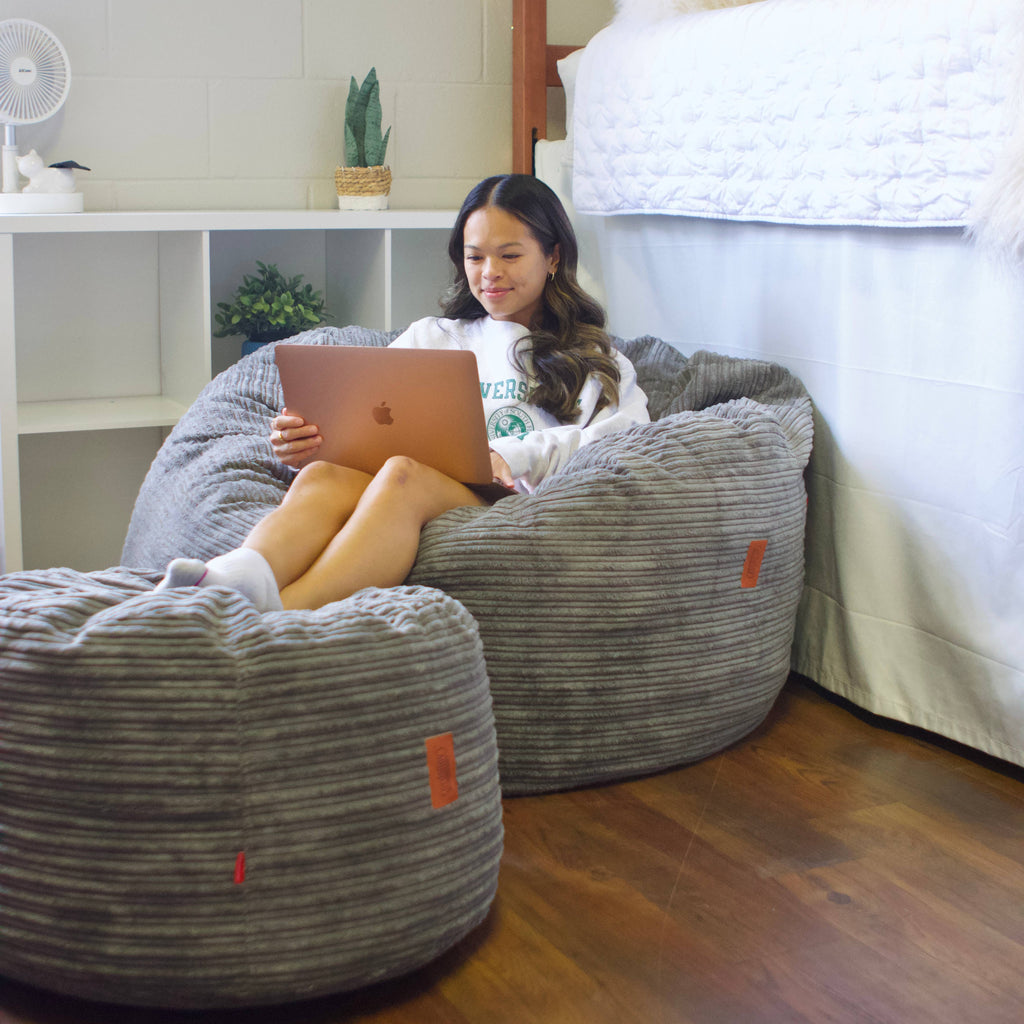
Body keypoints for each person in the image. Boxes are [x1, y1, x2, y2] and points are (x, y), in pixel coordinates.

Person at [157, 174, 650, 611]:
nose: (489, 273)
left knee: (402, 475)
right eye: (474, 256)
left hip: (509, 504)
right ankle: (233, 581)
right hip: (422, 482)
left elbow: (626, 441)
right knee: (325, 475)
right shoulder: (433, 336)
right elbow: (367, 415)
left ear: (554, 256)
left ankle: (280, 617)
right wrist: (306, 439)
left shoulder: (593, 358)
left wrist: (510, 455)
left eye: (510, 255)